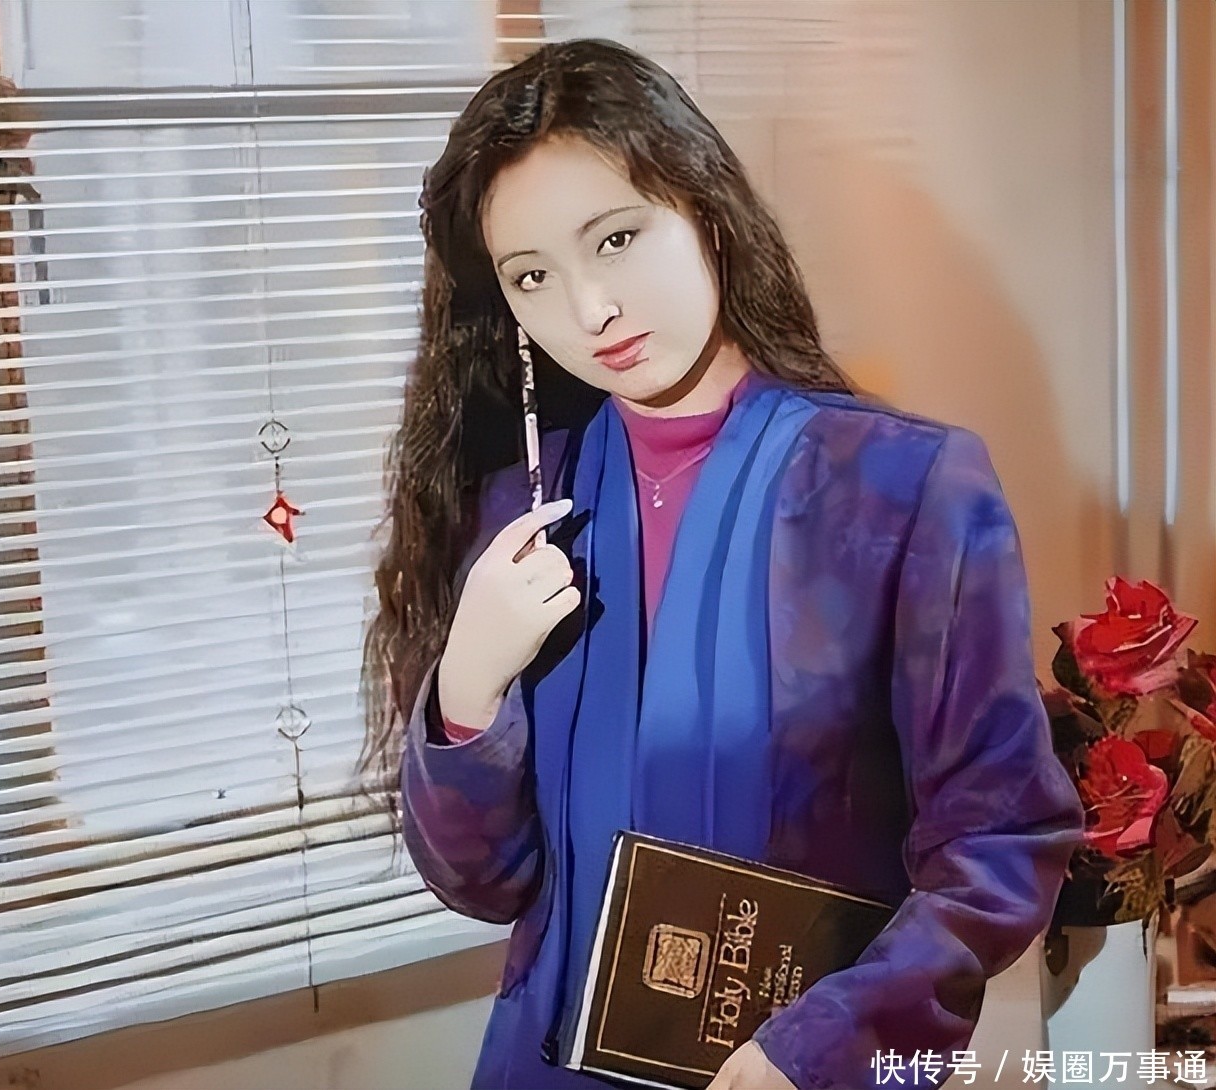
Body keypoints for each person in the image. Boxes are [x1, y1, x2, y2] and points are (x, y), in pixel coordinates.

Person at [359, 38, 1084, 1090]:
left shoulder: (903, 489)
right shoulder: (520, 514)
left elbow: (999, 840)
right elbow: (484, 883)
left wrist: (824, 1045)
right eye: (533, 276)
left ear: (703, 208)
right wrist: (466, 690)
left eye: (615, 239)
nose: (590, 310)